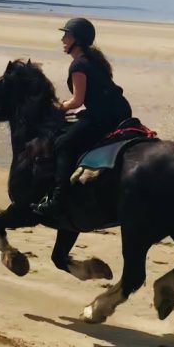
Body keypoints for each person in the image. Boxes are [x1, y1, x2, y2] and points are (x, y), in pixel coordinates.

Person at [33, 17, 132, 221]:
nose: (63, 39)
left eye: (67, 35)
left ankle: (58, 200)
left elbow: (77, 101)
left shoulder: (79, 65)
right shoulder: (93, 60)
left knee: (63, 144)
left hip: (105, 116)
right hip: (118, 111)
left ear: (77, 39)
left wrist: (58, 108)